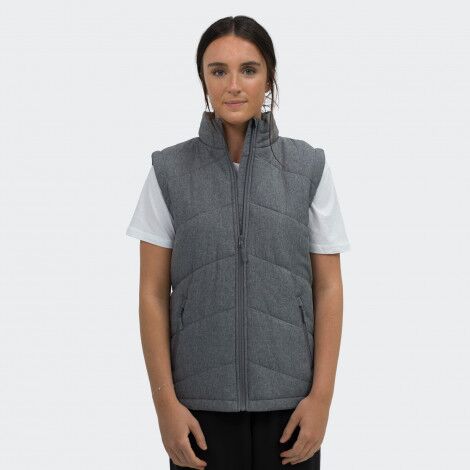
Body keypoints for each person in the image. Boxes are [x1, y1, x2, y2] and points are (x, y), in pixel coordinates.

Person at [126, 15, 350, 470]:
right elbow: (151, 293)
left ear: (269, 78)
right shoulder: (169, 172)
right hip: (197, 410)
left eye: (248, 69)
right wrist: (165, 406)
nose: (233, 85)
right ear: (203, 80)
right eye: (218, 71)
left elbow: (328, 287)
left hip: (291, 409)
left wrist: (321, 400)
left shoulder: (308, 168)